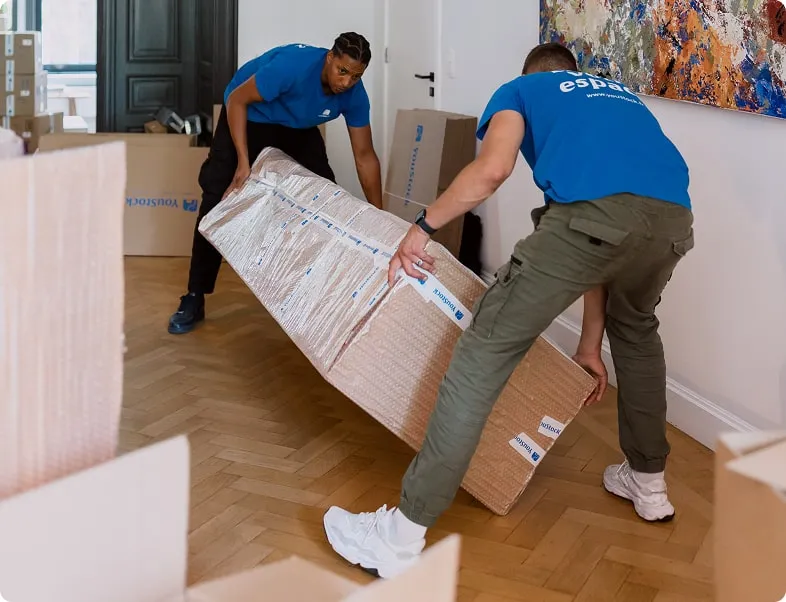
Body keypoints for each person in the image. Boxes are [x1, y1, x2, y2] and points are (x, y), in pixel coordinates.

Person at [322, 41, 695, 578]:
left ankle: (400, 537)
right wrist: (590, 345)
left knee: (483, 352)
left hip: (595, 219)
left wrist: (421, 229)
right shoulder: (618, 97)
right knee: (636, 331)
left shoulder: (522, 90)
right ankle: (649, 484)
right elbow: (608, 237)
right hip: (671, 222)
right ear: (575, 74)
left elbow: (493, 170)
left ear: (531, 74)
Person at [168, 33, 384, 335]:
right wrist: (243, 162)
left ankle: (317, 297)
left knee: (326, 197)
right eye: (342, 71)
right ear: (330, 58)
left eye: (356, 76)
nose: (346, 82)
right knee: (217, 196)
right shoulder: (292, 67)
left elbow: (365, 157)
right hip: (249, 115)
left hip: (296, 127)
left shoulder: (354, 94)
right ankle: (194, 295)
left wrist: (378, 216)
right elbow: (237, 100)